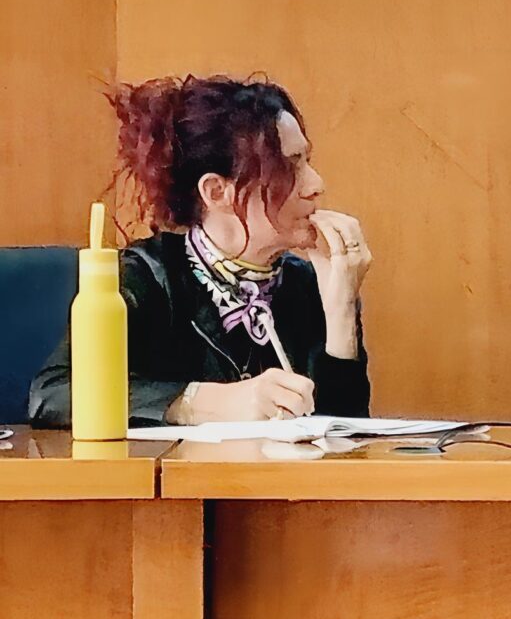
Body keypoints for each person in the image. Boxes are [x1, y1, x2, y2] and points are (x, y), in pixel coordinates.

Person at [30, 76, 373, 428]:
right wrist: (197, 402)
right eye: (288, 167)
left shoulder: (308, 284)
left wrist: (341, 310)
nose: (316, 185)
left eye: (306, 161)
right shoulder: (145, 277)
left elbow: (343, 438)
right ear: (216, 192)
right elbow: (53, 392)